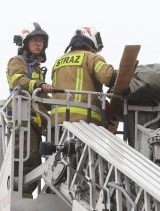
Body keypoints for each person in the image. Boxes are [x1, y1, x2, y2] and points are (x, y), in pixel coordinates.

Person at [7, 22, 53, 197]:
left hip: (36, 120)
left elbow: (39, 97)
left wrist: (57, 103)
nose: (39, 43)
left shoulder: (36, 67)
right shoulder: (17, 61)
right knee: (26, 161)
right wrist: (39, 83)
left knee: (34, 160)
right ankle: (22, 196)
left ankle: (27, 194)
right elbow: (17, 80)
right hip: (23, 119)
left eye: (41, 40)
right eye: (34, 40)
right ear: (25, 43)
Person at [49, 26, 117, 142]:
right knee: (85, 160)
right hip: (85, 124)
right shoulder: (90, 57)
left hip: (57, 125)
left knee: (60, 158)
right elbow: (108, 77)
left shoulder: (58, 62)